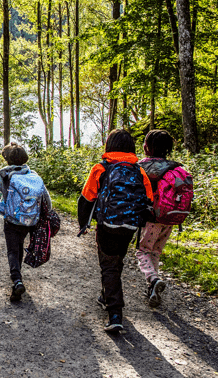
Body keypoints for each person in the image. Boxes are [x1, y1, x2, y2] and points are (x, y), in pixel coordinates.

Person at [77, 129, 153, 332]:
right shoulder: (139, 171)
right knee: (116, 261)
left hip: (107, 226)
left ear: (109, 145)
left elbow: (86, 199)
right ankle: (106, 295)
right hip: (130, 226)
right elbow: (149, 200)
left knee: (108, 266)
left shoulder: (101, 168)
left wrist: (83, 224)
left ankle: (115, 313)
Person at [0, 142, 52, 302]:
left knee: (12, 251)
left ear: (7, 160)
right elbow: (47, 201)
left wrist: (2, 209)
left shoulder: (3, 175)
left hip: (12, 220)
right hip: (30, 221)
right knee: (19, 245)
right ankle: (18, 279)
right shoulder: (33, 175)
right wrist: (39, 215)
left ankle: (17, 280)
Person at [137, 129, 181, 307]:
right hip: (169, 218)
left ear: (147, 147)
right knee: (155, 251)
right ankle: (152, 288)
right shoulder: (175, 168)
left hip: (151, 218)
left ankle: (153, 279)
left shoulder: (143, 166)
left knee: (142, 250)